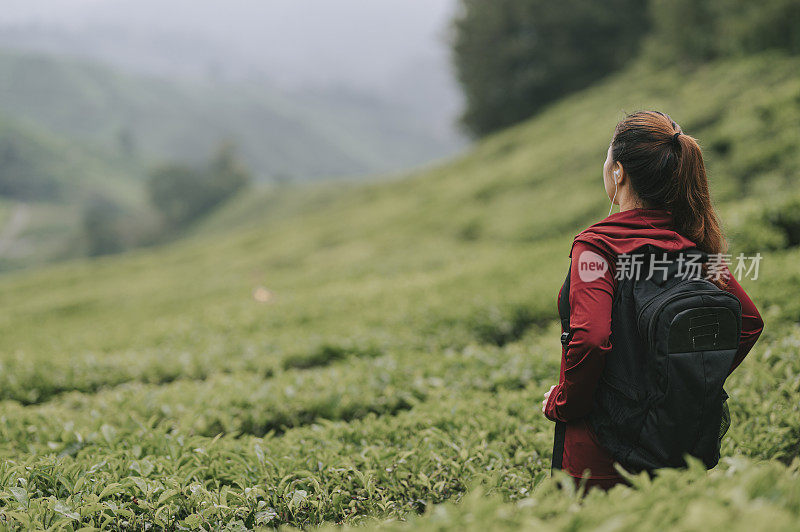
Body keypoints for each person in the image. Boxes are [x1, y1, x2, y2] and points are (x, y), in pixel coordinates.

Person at [541, 110, 764, 491]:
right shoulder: (689, 244)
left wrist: (563, 402)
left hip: (598, 454)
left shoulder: (596, 247)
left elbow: (591, 338)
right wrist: (682, 387)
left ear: (619, 171)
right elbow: (747, 322)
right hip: (672, 447)